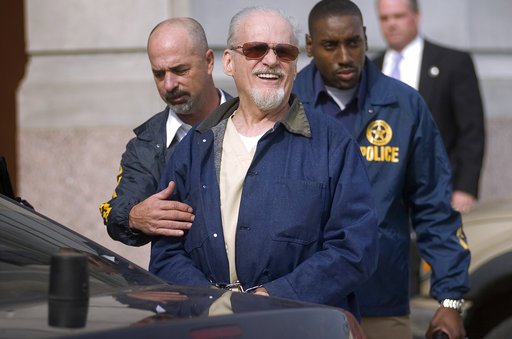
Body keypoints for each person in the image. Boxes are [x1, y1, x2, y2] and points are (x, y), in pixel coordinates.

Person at [149, 6, 378, 318]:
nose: (271, 60)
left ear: (296, 65)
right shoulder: (194, 147)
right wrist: (210, 303)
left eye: (284, 52)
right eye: (256, 49)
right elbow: (166, 253)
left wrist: (271, 297)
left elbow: (355, 249)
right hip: (208, 326)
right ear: (229, 62)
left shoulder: (332, 144)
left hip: (302, 324)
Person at [292, 1, 470, 338]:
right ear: (310, 46)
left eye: (354, 43)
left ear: (365, 38)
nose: (345, 56)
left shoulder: (403, 105)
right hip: (300, 303)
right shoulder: (287, 103)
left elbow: (433, 205)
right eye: (330, 45)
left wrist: (450, 300)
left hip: (381, 303)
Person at [99, 18, 231, 246]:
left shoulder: (252, 119)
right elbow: (116, 209)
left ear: (209, 61)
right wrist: (134, 217)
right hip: (182, 278)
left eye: (180, 70)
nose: (169, 84)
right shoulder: (146, 146)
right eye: (159, 74)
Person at [373, 0, 485, 214]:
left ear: (416, 16)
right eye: (385, 18)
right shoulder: (371, 68)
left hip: (439, 191)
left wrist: (465, 188)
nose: (391, 24)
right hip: (386, 199)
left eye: (398, 16)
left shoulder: (453, 62)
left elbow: (472, 130)